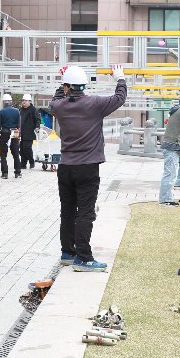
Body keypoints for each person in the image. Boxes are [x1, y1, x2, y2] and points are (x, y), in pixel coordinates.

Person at [50, 64, 127, 272]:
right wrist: (119, 77)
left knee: (67, 211)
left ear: (66, 87)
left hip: (65, 167)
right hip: (87, 167)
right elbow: (119, 98)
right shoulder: (95, 104)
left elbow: (57, 97)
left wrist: (63, 81)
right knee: (85, 212)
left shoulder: (58, 107)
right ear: (84, 85)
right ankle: (83, 258)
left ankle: (68, 252)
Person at [0, 93, 22, 178]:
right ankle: (18, 172)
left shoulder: (1, 112)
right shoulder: (17, 111)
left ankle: (5, 173)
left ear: (4, 102)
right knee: (16, 154)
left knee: (3, 154)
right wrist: (19, 136)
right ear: (11, 102)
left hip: (4, 133)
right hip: (14, 133)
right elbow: (19, 125)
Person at [18, 93, 39, 170]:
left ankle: (31, 161)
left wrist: (37, 128)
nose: (23, 102)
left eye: (25, 100)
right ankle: (23, 164)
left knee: (27, 148)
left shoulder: (33, 110)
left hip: (29, 133)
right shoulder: (20, 110)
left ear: (29, 101)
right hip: (21, 133)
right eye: (23, 100)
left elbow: (38, 119)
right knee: (21, 149)